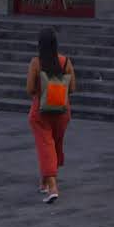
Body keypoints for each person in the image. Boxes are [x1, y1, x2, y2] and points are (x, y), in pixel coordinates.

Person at [26, 26, 75, 204]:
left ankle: (52, 186)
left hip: (41, 112)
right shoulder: (65, 61)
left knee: (45, 146)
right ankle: (44, 182)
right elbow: (73, 88)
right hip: (62, 112)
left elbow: (30, 88)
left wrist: (41, 92)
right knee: (54, 145)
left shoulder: (35, 63)